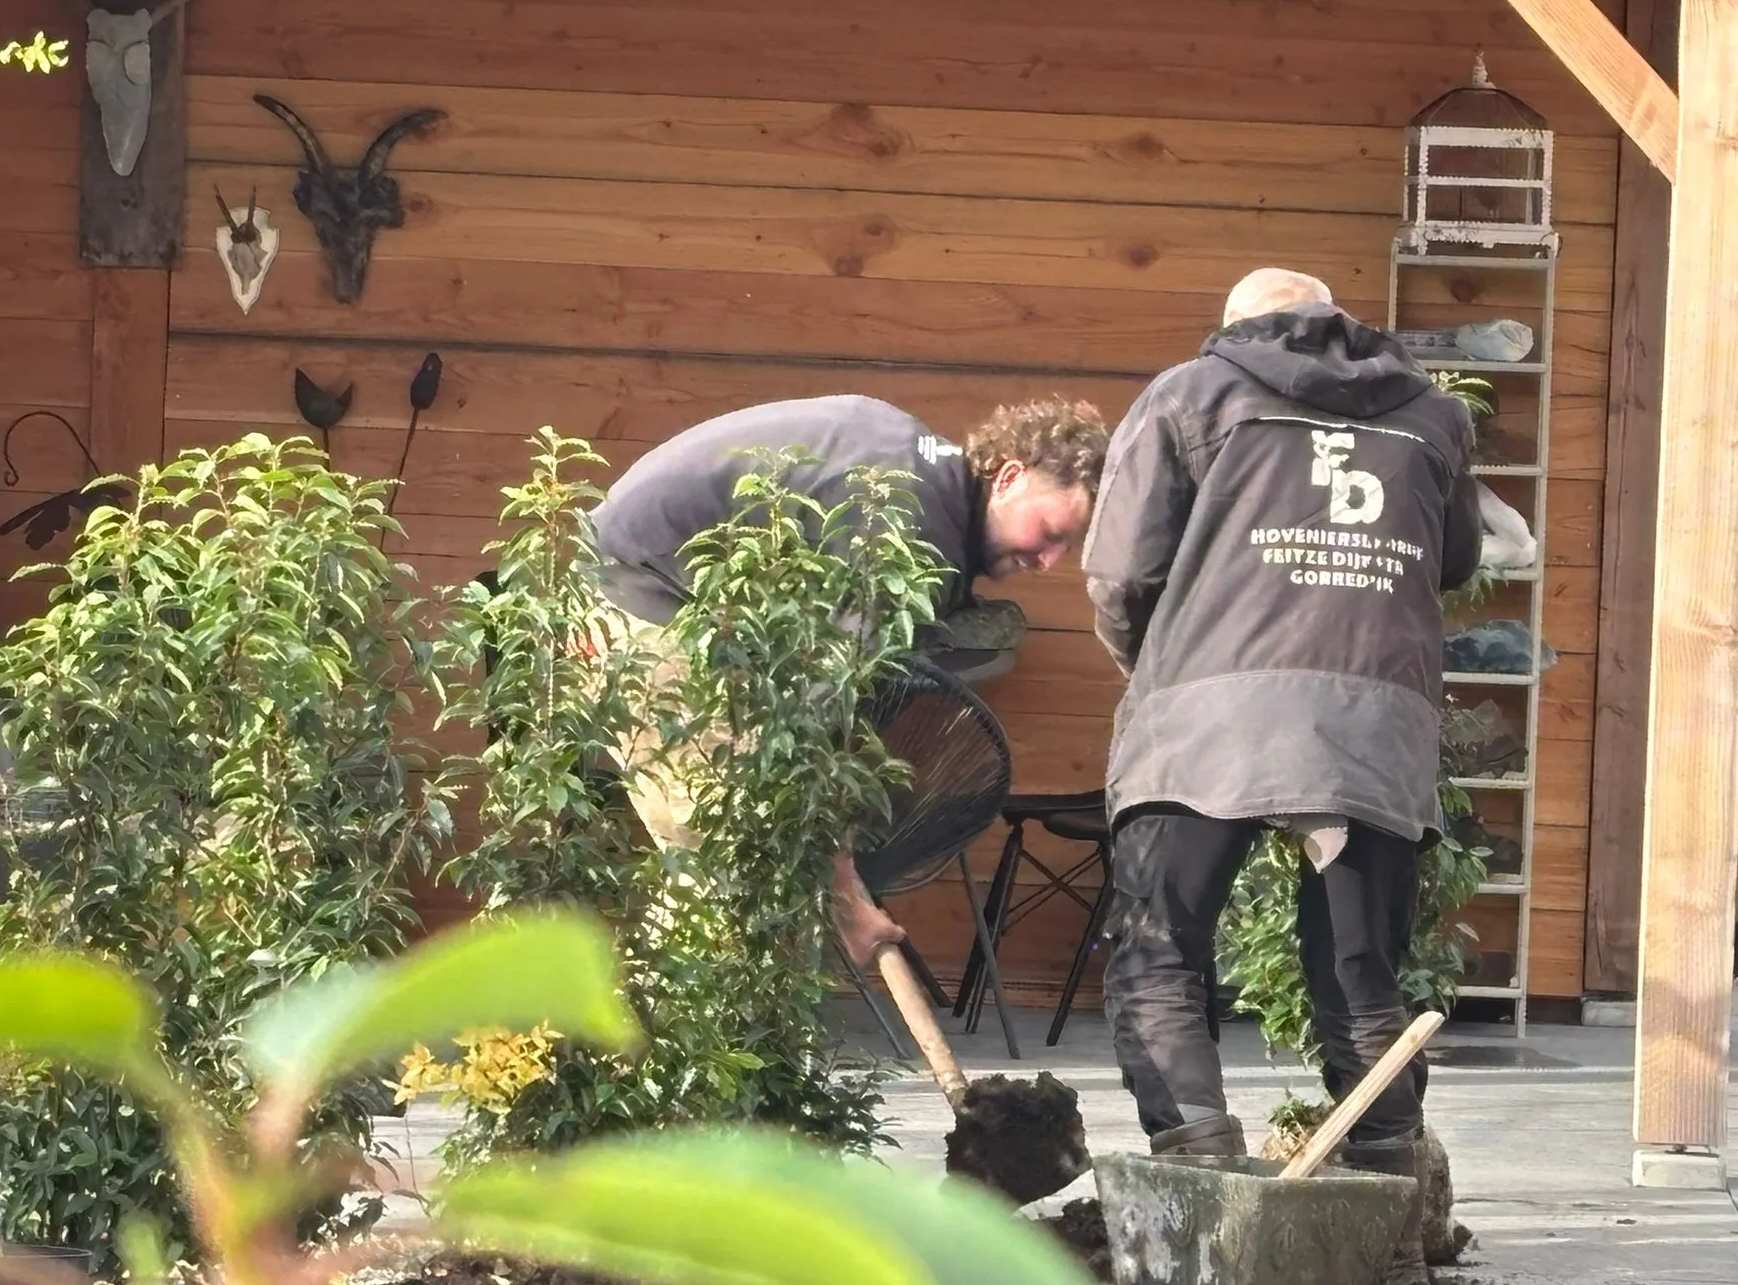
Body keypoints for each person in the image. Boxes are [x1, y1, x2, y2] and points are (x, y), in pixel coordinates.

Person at [1082, 268, 1479, 1284]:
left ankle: (1206, 1207)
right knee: (1358, 978)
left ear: (1235, 325)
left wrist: (1160, 672)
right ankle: (1391, 1229)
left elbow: (1122, 569)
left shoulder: (1188, 393)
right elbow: (1453, 561)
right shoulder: (1431, 415)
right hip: (1372, 723)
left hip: (1205, 719)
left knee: (1160, 953)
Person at [586, 392, 1111, 967]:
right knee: (725, 848)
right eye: (1052, 531)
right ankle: (689, 1048)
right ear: (1010, 476)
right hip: (641, 601)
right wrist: (847, 896)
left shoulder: (923, 479)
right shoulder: (906, 528)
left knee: (764, 849)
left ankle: (758, 1042)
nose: (1048, 562)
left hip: (682, 606)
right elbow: (821, 726)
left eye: (1069, 546)